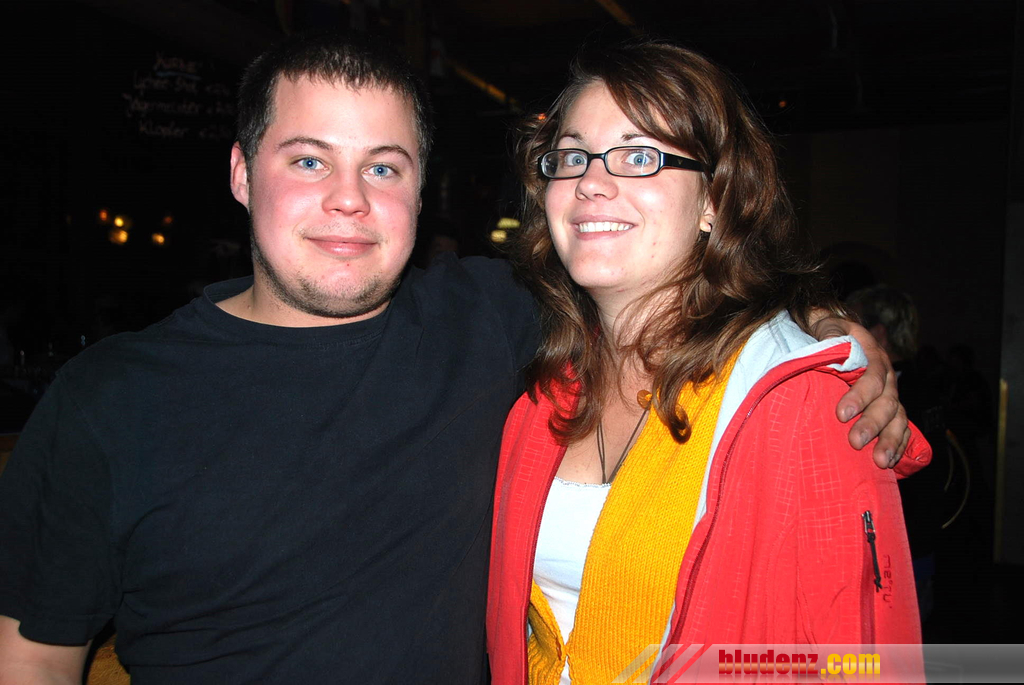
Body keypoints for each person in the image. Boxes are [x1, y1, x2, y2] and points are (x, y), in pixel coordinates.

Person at [0, 32, 904, 685]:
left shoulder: (488, 322)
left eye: (384, 167)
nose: (349, 199)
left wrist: (820, 331)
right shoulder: (109, 400)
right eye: (309, 161)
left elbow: (667, 285)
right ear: (242, 173)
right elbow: (34, 658)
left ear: (421, 189)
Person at [486, 40, 930, 685]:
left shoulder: (801, 402)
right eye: (573, 155)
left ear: (714, 201)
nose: (591, 181)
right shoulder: (538, 395)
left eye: (640, 156)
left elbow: (858, 657)